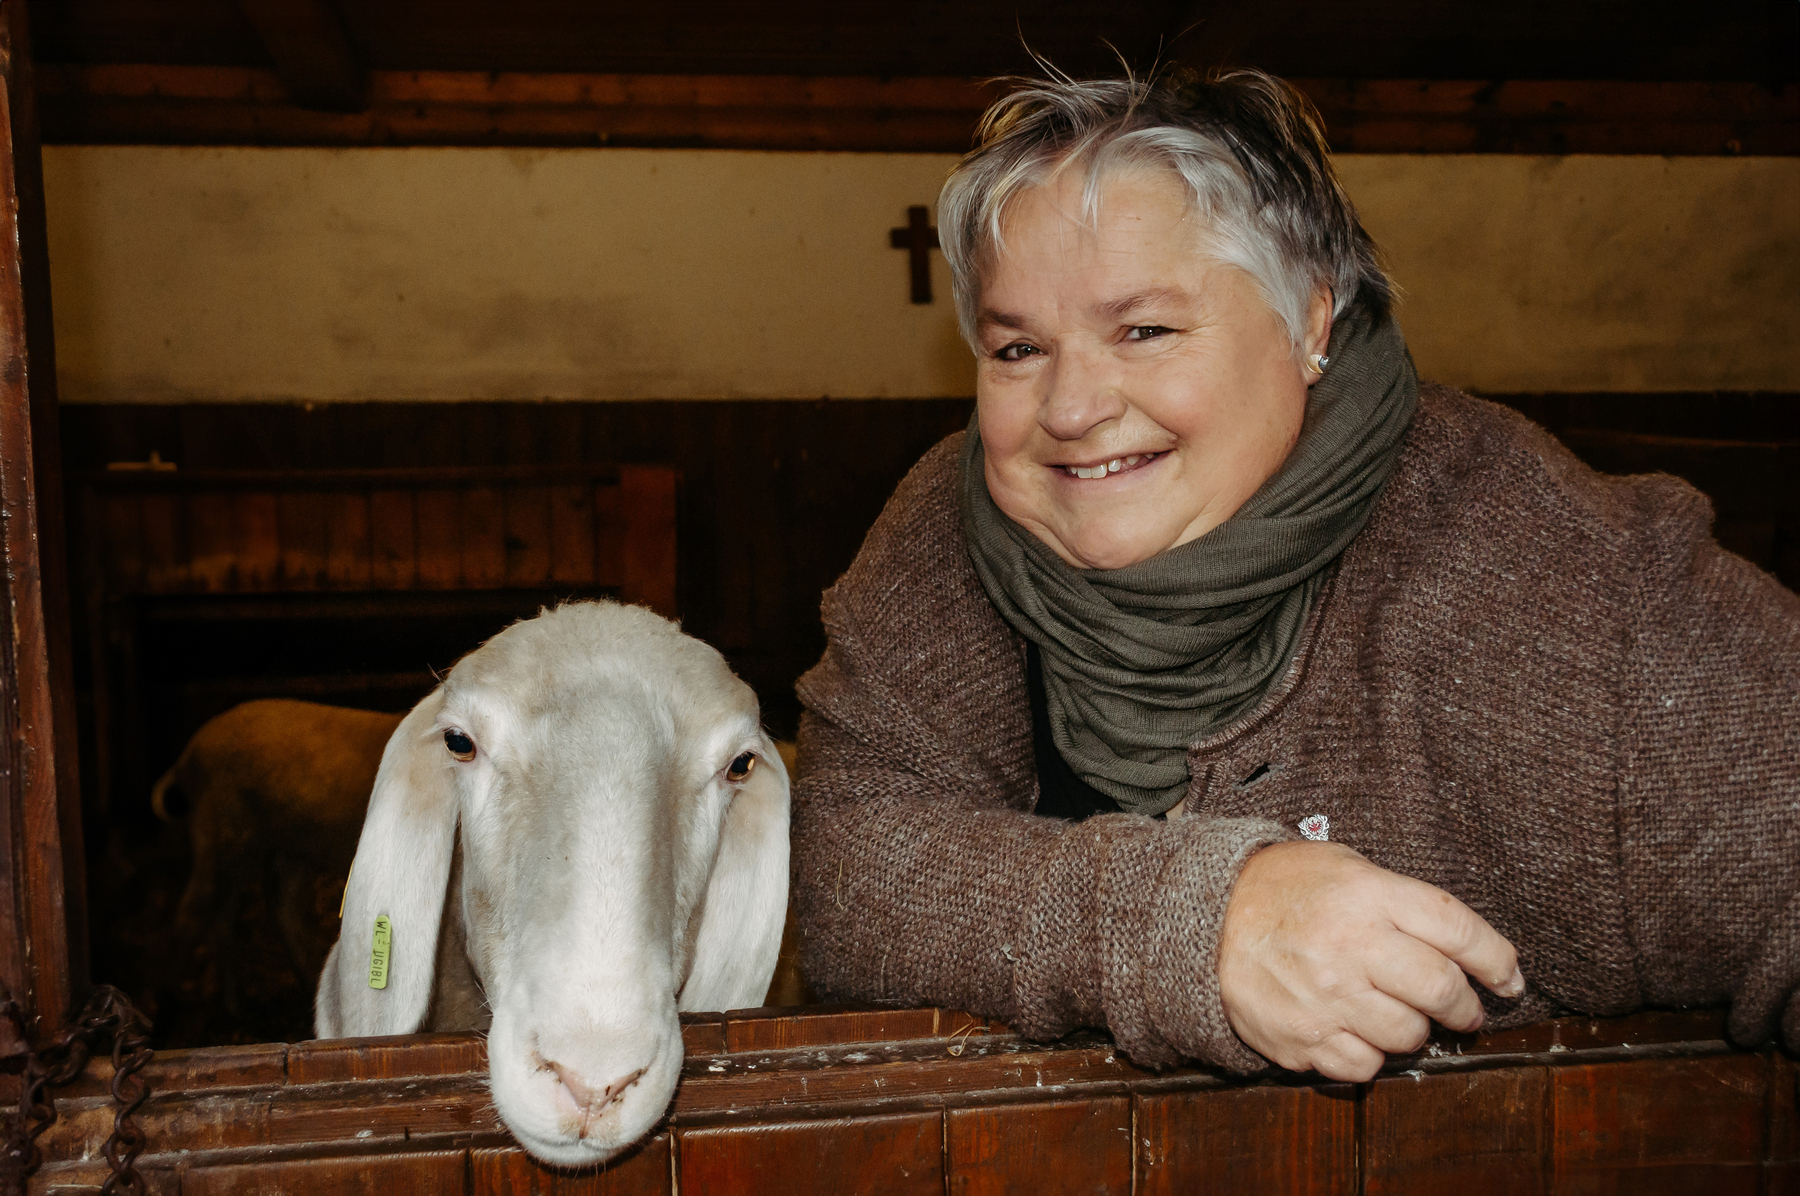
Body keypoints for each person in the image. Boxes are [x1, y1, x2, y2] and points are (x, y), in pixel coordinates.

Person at [788, 68, 1800, 1081]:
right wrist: (1199, 921)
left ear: (1311, 320)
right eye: (1017, 347)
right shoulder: (946, 529)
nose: (1068, 407)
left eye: (1144, 329)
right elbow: (846, 871)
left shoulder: (1563, 597)